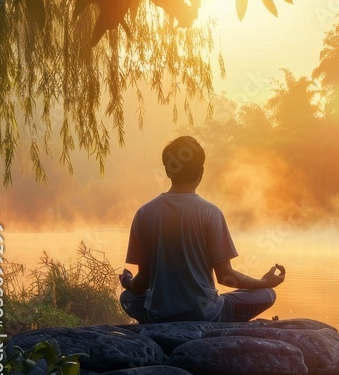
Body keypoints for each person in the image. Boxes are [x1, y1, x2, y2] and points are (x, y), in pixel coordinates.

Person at [118, 136, 285, 323]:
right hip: (206, 314)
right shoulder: (211, 213)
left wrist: (129, 283)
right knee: (267, 294)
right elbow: (225, 276)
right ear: (201, 171)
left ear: (168, 170)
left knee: (127, 297)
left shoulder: (144, 213)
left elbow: (144, 281)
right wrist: (263, 282)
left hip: (159, 315)